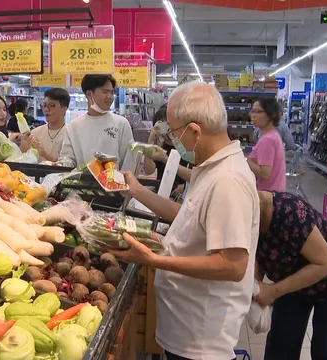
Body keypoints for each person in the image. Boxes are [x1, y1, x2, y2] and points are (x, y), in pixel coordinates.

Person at [111, 82, 259, 360]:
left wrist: (155, 260)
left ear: (195, 131)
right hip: (184, 330)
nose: (172, 140)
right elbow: (189, 217)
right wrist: (138, 191)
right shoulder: (209, 166)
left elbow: (233, 265)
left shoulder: (228, 181)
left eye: (174, 132)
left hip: (200, 341)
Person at [255, 191, 327, 360]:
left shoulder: (288, 212)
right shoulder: (248, 219)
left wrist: (273, 291)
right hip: (292, 280)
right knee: (281, 345)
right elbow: (258, 254)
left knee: (326, 351)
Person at [58, 75, 134, 169]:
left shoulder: (121, 123)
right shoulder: (74, 126)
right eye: (105, 92)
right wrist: (58, 165)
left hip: (113, 182)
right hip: (82, 182)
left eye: (111, 92)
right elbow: (68, 159)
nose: (110, 97)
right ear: (89, 94)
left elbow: (128, 162)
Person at [142, 106, 191, 185]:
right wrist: (150, 140)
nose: (162, 128)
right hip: (162, 189)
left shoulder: (184, 144)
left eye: (166, 124)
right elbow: (148, 171)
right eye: (159, 123)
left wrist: (184, 186)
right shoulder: (159, 146)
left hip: (182, 192)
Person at [20, 88, 69, 162]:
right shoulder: (35, 133)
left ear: (64, 109)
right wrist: (23, 146)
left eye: (52, 105)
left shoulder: (70, 135)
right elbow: (23, 159)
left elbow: (69, 165)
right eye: (44, 105)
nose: (46, 109)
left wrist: (44, 154)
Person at [248, 99, 286, 191]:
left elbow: (265, 173)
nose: (252, 115)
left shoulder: (267, 140)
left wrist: (247, 161)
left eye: (258, 112)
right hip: (274, 192)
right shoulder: (273, 135)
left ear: (271, 115)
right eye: (252, 111)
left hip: (267, 195)